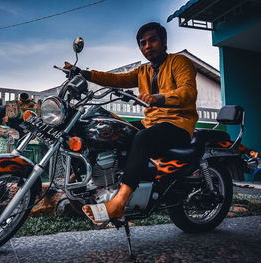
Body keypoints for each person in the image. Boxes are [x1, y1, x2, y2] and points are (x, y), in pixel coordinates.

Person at [65, 22, 198, 224]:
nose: (147, 46)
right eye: (142, 43)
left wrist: (159, 98)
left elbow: (187, 91)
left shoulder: (179, 62)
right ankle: (113, 184)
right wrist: (84, 73)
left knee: (142, 137)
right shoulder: (143, 71)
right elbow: (116, 79)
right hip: (153, 122)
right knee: (118, 130)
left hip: (179, 124)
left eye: (152, 40)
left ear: (164, 41)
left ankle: (119, 203)